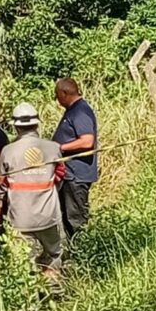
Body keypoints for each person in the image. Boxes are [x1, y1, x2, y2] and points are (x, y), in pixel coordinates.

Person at [0, 103, 66, 279]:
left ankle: (30, 299)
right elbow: (60, 179)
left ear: (16, 126)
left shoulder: (8, 151)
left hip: (20, 217)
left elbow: (1, 183)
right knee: (54, 255)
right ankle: (53, 292)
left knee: (24, 261)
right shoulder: (53, 148)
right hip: (49, 215)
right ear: (37, 124)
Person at [52, 78, 98, 239]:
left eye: (57, 96)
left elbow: (87, 141)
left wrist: (60, 148)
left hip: (76, 176)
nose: (57, 101)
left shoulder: (80, 112)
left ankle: (83, 254)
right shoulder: (73, 111)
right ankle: (72, 254)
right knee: (66, 217)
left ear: (64, 93)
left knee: (76, 219)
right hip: (68, 174)